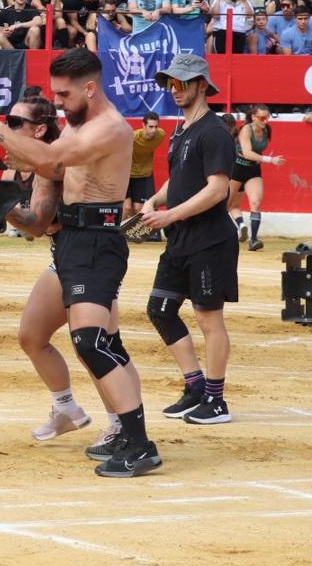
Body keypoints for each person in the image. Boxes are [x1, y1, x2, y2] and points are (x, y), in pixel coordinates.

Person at [0, 48, 159, 477]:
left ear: (90, 88)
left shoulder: (109, 128)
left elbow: (51, 161)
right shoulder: (80, 123)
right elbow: (46, 186)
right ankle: (124, 432)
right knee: (88, 340)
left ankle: (139, 443)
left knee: (93, 342)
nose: (59, 104)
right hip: (73, 244)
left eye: (64, 95)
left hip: (95, 242)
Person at [139, 54, 239, 426]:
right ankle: (196, 387)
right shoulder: (182, 130)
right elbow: (181, 178)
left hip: (209, 239)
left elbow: (217, 190)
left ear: (201, 84)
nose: (174, 90)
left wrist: (169, 215)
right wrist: (154, 200)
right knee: (160, 309)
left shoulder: (213, 132)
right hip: (181, 237)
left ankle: (216, 399)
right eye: (171, 83)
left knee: (208, 318)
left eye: (182, 83)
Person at [3, 93, 104, 444]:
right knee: (32, 337)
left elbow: (34, 225)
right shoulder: (23, 162)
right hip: (65, 256)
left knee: (95, 347)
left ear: (40, 129)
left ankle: (124, 423)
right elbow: (36, 230)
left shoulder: (51, 162)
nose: (8, 128)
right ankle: (65, 409)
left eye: (16, 123)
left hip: (91, 258)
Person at [228, 104, 285, 252]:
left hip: (252, 169)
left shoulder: (267, 129)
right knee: (228, 205)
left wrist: (262, 159)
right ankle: (240, 225)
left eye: (267, 117)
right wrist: (269, 160)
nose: (265, 121)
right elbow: (247, 153)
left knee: (256, 202)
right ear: (253, 117)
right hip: (237, 168)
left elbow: (254, 153)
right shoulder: (246, 129)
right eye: (261, 118)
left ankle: (253, 240)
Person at [126, 111, 166, 226]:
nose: (154, 130)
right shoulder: (132, 138)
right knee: (127, 208)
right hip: (127, 175)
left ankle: (133, 236)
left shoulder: (160, 135)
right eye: (150, 127)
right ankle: (117, 236)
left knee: (139, 210)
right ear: (143, 126)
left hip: (144, 175)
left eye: (156, 127)